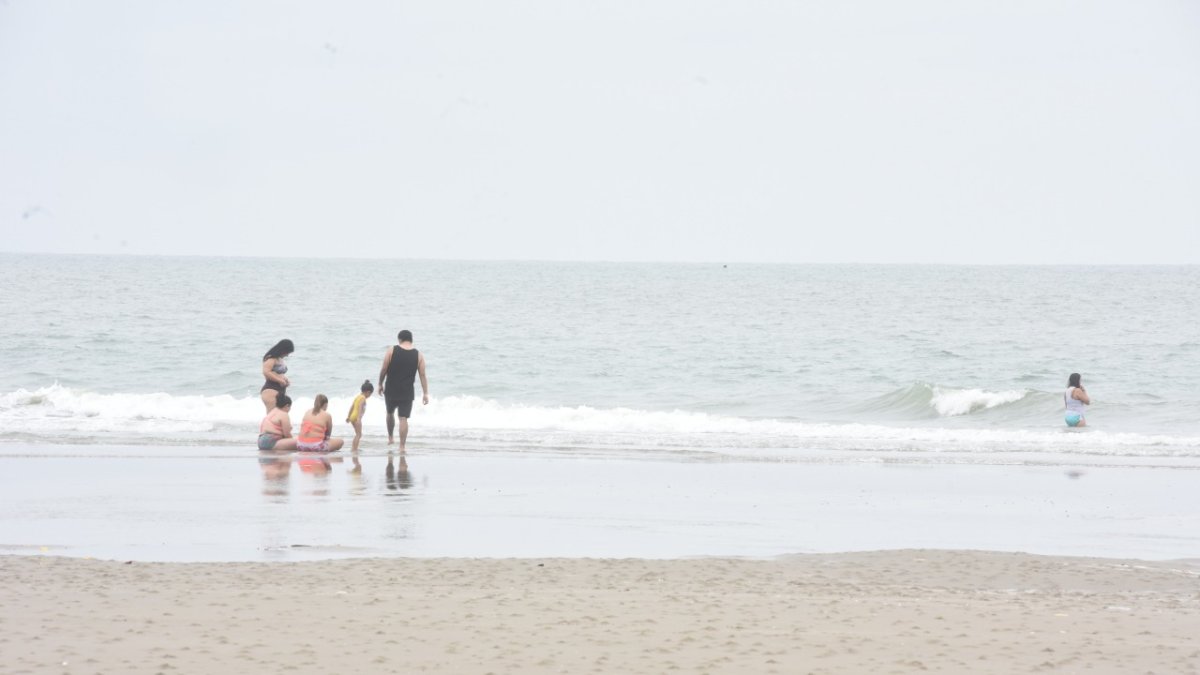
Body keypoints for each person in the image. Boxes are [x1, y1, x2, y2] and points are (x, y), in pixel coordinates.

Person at [377, 329, 429, 449]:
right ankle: (402, 446)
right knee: (403, 418)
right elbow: (422, 375)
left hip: (391, 388)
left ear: (399, 339)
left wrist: (380, 384)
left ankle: (390, 437)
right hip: (407, 391)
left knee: (390, 413)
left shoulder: (392, 350)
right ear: (411, 340)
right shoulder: (419, 355)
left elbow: (384, 369)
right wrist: (425, 393)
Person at [260, 339, 294, 411]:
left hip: (280, 390)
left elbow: (277, 373)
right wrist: (280, 381)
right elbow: (266, 372)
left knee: (281, 414)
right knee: (272, 416)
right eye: (287, 352)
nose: (287, 355)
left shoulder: (279, 359)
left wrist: (285, 380)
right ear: (283, 349)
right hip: (271, 389)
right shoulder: (271, 358)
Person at [346, 380, 374, 455]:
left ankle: (353, 448)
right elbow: (360, 407)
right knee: (359, 434)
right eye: (370, 394)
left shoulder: (358, 396)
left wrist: (348, 416)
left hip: (352, 417)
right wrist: (358, 418)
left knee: (357, 434)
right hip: (356, 418)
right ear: (368, 392)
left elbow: (352, 406)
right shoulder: (363, 398)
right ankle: (354, 449)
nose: (369, 396)